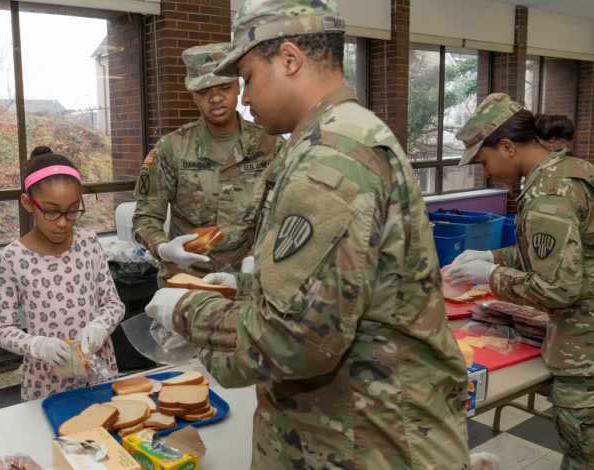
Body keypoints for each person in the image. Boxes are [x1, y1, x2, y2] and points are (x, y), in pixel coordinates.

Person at [144, 1, 470, 468]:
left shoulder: (327, 160)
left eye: (249, 78)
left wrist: (187, 311)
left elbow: (294, 341)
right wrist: (247, 286)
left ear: (290, 60)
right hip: (345, 426)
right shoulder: (345, 134)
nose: (245, 97)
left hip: (360, 438)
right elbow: (340, 285)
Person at [445, 93, 594, 469]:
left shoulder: (547, 194)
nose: (487, 171)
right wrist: (490, 256)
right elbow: (571, 254)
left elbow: (558, 289)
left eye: (485, 160)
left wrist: (492, 276)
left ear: (507, 147)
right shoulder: (575, 171)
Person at [132, 42, 283, 286]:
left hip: (244, 278)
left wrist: (257, 255)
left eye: (224, 87)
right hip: (186, 278)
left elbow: (280, 211)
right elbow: (145, 217)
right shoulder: (172, 148)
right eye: (204, 92)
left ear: (238, 86)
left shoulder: (269, 145)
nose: (215, 98)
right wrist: (163, 248)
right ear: (193, 95)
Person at [0, 146, 125, 401]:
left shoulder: (88, 242)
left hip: (97, 370)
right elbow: (4, 329)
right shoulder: (13, 258)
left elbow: (113, 303)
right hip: (47, 379)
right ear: (27, 203)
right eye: (51, 211)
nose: (63, 222)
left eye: (73, 210)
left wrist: (100, 326)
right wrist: (36, 345)